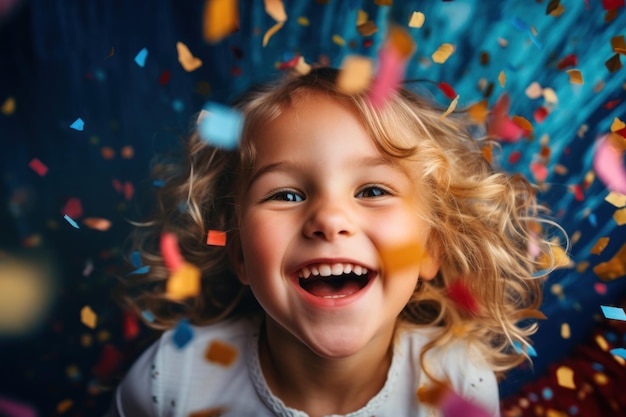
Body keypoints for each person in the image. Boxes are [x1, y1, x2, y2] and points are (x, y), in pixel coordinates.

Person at [106, 67, 561, 417]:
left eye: (372, 191)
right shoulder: (171, 376)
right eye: (286, 194)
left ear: (430, 248)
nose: (328, 219)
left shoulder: (457, 380)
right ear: (239, 251)